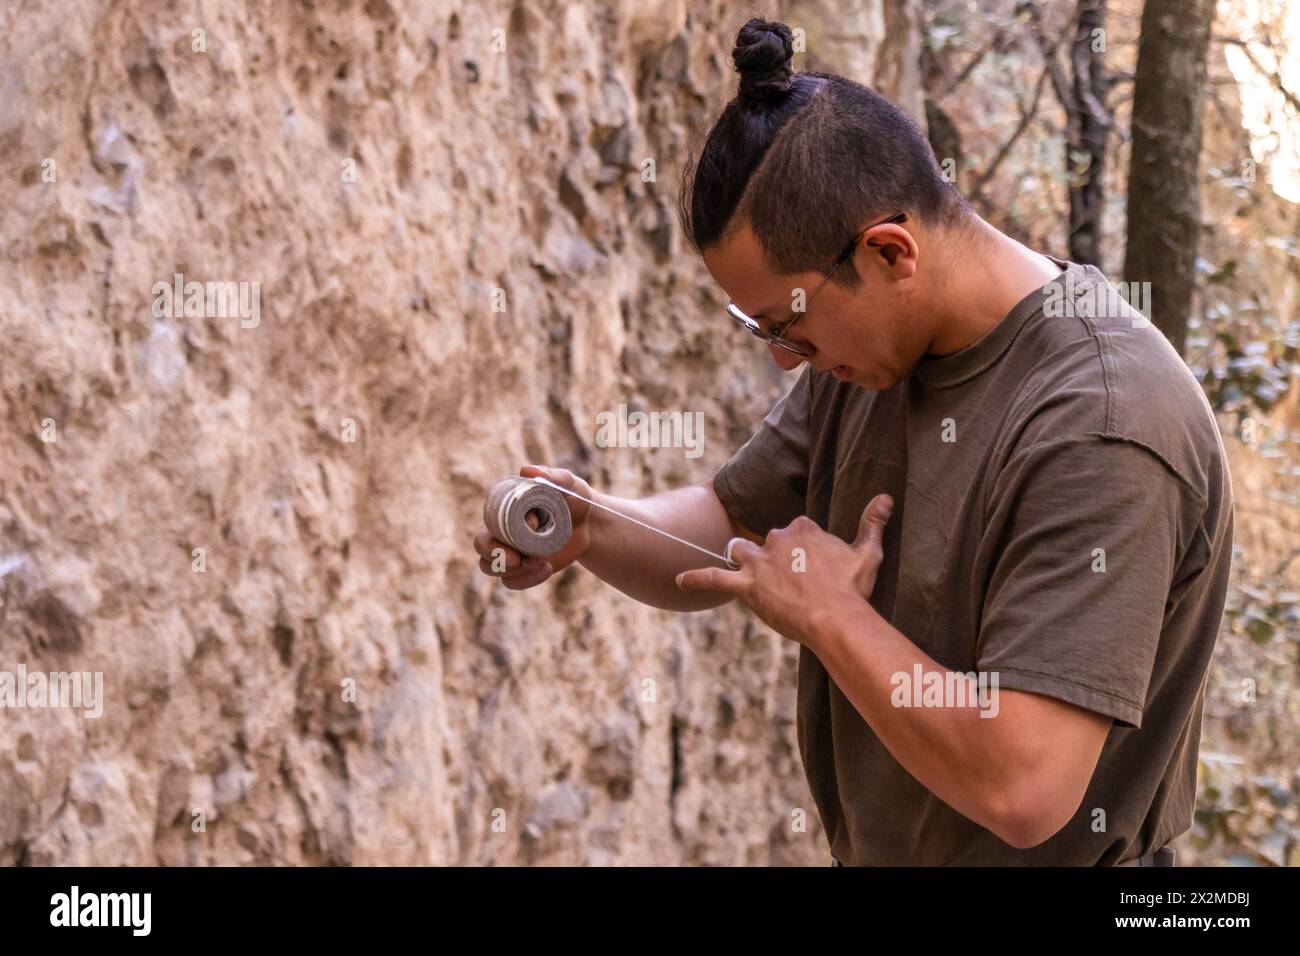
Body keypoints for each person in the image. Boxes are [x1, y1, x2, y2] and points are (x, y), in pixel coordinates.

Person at [473, 17, 1234, 866]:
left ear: (888, 252)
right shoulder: (865, 357)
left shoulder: (1104, 423)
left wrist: (832, 617)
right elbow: (730, 522)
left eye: (786, 324)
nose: (781, 357)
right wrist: (592, 526)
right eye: (757, 326)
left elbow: (1025, 787)